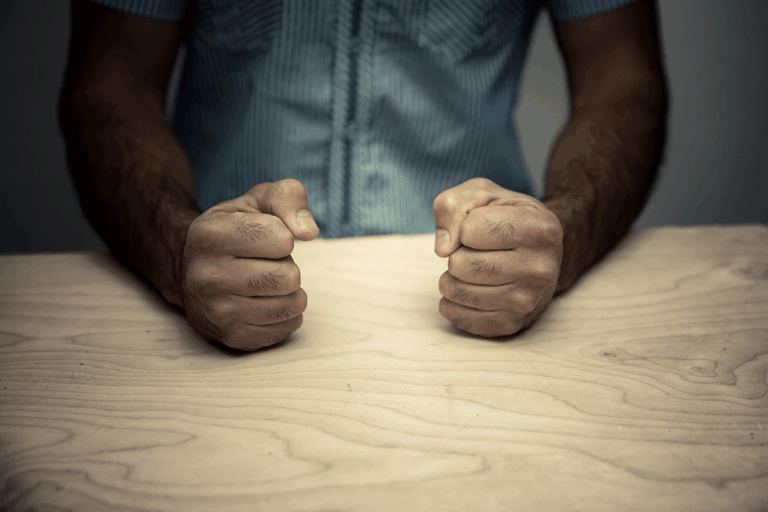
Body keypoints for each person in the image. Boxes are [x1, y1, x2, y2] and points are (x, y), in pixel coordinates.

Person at [58, 0, 668, 350]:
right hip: (215, 284)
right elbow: (110, 87)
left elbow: (622, 82)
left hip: (484, 297)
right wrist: (177, 248)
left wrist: (560, 232)